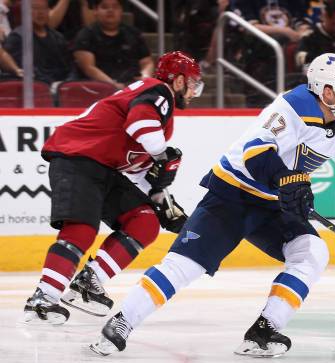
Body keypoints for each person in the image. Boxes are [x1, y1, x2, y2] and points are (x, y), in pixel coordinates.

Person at [89, 52, 335, 357]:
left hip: (272, 205)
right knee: (185, 265)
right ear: (329, 92)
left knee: (312, 252)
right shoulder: (293, 107)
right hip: (233, 194)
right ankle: (121, 322)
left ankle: (263, 332)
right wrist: (287, 178)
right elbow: (255, 152)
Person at [23, 51, 203, 325]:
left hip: (103, 166)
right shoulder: (158, 91)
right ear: (177, 80)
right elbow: (139, 123)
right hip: (78, 156)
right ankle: (44, 298)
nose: (193, 90)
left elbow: (139, 170)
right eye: (191, 83)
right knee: (81, 228)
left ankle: (88, 283)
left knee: (144, 221)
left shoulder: (158, 108)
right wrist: (163, 154)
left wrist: (161, 198)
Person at [73, 0, 154, 89]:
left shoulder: (133, 33)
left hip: (132, 86)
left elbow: (147, 62)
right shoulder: (86, 35)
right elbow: (88, 67)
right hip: (98, 88)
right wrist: (112, 85)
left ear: (121, 10)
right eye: (105, 7)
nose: (110, 10)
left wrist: (144, 77)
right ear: (95, 11)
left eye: (115, 7)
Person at [4, 0, 71, 84]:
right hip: (35, 87)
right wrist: (52, 85)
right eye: (35, 8)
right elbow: (25, 71)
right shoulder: (17, 38)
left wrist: (66, 84)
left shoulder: (58, 38)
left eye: (44, 9)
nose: (40, 13)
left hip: (61, 87)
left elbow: (69, 67)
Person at [296, 0, 335, 71]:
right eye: (331, 17)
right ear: (324, 15)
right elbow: (300, 59)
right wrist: (331, 60)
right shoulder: (310, 36)